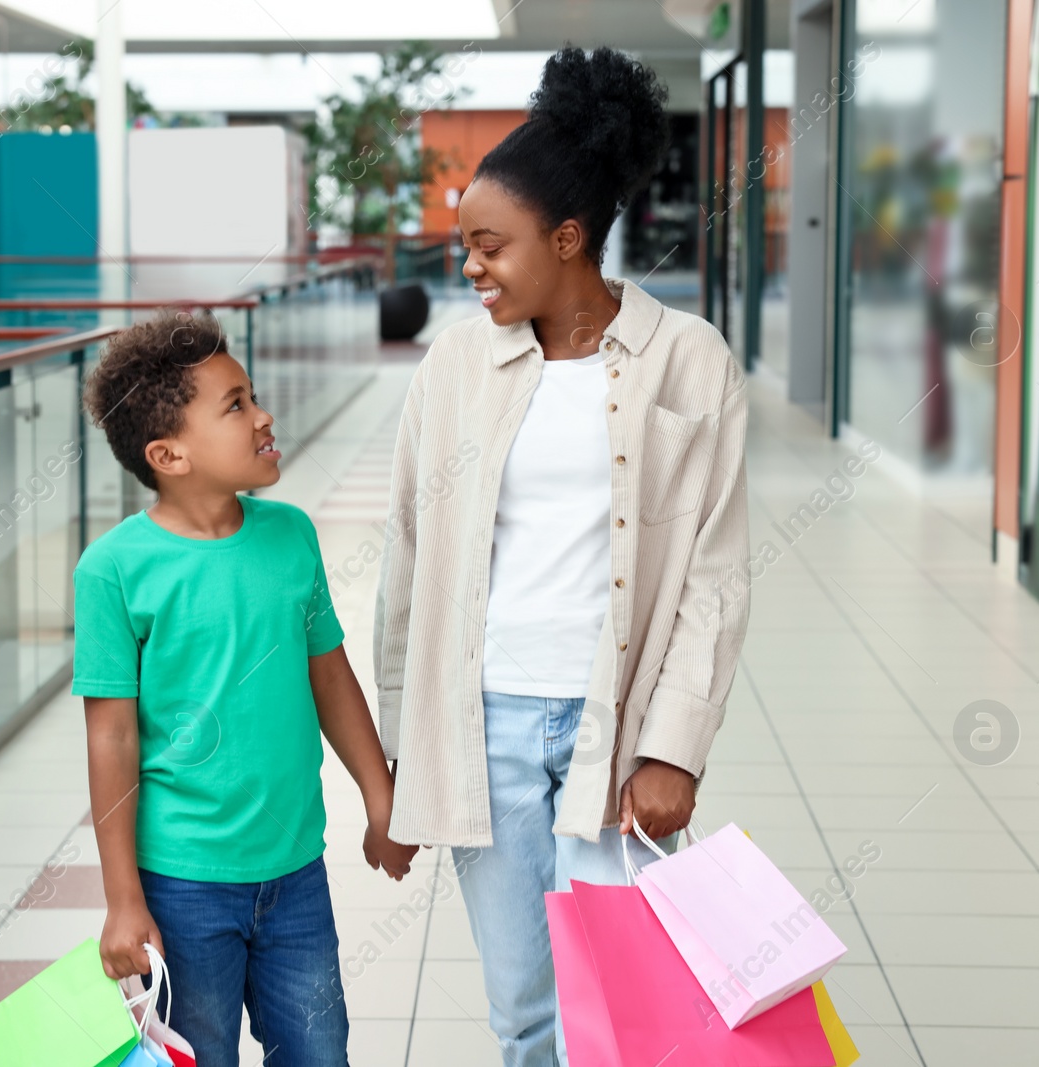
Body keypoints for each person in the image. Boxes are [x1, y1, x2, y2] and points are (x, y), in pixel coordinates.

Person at [372, 47, 751, 1065]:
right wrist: (401, 750)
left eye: (490, 246)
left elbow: (713, 571)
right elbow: (410, 548)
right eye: (465, 247)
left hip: (614, 729)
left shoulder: (688, 359)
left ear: (569, 238)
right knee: (523, 1012)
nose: (470, 268)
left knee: (627, 1008)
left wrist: (676, 744)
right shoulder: (456, 362)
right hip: (482, 723)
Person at [75, 313, 418, 1066]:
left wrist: (379, 794)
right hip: (182, 885)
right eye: (234, 405)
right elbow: (112, 735)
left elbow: (328, 673)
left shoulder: (291, 533)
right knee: (201, 1058)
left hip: (296, 870)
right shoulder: (113, 570)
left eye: (253, 396)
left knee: (320, 1053)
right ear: (169, 453)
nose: (264, 415)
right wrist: (123, 898)